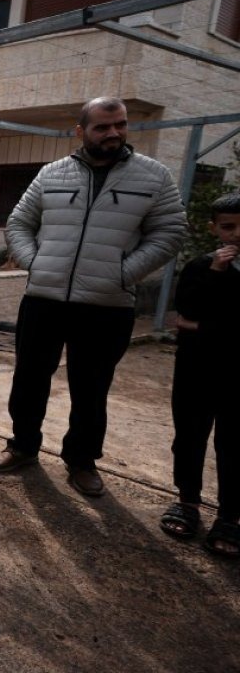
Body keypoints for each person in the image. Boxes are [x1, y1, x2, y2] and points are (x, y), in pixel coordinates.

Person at [0, 97, 187, 497]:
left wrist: (122, 274)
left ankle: (81, 461)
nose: (114, 133)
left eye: (120, 125)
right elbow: (19, 222)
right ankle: (22, 445)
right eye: (102, 127)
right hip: (44, 298)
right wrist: (35, 263)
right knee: (29, 378)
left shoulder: (153, 176)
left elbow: (170, 232)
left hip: (106, 304)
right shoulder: (52, 173)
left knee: (91, 388)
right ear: (81, 131)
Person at [159, 193, 240, 557]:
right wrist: (216, 273)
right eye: (228, 227)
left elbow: (196, 323)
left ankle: (230, 516)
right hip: (196, 369)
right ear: (214, 229)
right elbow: (186, 312)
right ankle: (188, 500)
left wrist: (203, 328)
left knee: (235, 444)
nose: (237, 235)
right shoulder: (200, 267)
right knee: (189, 435)